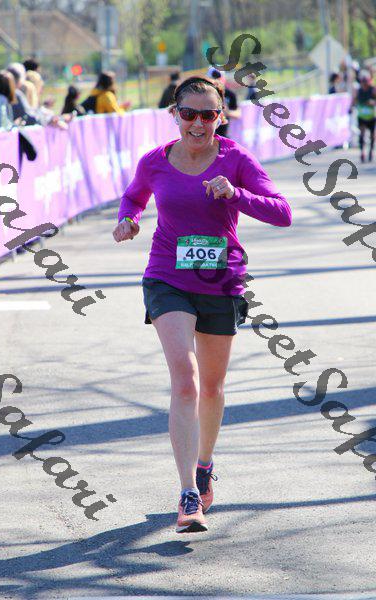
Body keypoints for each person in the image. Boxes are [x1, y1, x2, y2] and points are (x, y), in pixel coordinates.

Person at [112, 76, 292, 534]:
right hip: (167, 279)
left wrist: (236, 194)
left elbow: (283, 213)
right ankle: (188, 492)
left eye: (207, 114)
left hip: (220, 282)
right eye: (188, 113)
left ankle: (205, 464)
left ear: (221, 116)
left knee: (211, 387)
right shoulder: (156, 160)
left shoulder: (237, 159)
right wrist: (128, 219)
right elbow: (134, 196)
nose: (197, 123)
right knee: (186, 380)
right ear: (175, 114)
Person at [207, 67, 240, 137]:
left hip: (223, 134)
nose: (216, 81)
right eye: (213, 78)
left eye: (218, 78)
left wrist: (227, 112)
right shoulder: (203, 94)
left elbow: (238, 114)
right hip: (208, 134)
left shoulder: (230, 94)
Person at [351, 70, 376, 162]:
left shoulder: (373, 89)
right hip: (361, 116)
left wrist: (373, 102)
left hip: (371, 116)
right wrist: (351, 107)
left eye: (366, 82)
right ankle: (362, 152)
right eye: (362, 82)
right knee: (362, 134)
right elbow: (354, 100)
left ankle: (371, 151)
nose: (364, 84)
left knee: (372, 136)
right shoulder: (358, 91)